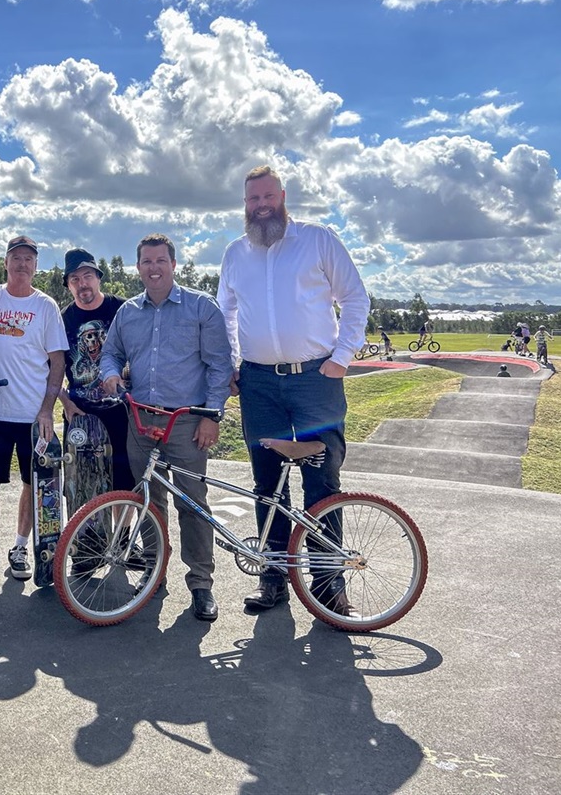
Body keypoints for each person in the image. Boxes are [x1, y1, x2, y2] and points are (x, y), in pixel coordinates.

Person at [217, 165, 370, 617]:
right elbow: (225, 312)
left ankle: (328, 587)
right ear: (245, 205)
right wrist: (230, 364)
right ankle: (274, 579)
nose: (261, 205)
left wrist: (342, 357)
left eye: (267, 196)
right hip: (259, 381)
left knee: (321, 482)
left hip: (315, 379)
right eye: (252, 199)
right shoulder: (235, 253)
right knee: (268, 483)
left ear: (282, 196)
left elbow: (356, 298)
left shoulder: (318, 239)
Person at [100, 233, 232, 622]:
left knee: (191, 502)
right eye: (146, 262)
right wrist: (109, 374)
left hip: (187, 421)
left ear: (173, 264)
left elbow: (220, 366)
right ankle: (155, 574)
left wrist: (211, 415)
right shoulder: (128, 312)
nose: (153, 268)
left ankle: (201, 584)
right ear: (137, 267)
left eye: (161, 261)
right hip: (140, 419)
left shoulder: (201, 307)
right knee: (148, 501)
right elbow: (111, 353)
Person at [0, 235, 68, 581]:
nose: (22, 264)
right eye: (16, 258)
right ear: (5, 263)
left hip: (31, 415)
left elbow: (57, 362)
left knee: (32, 484)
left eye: (29, 259)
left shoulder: (46, 306)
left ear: (36, 267)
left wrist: (47, 410)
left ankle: (21, 546)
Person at [58, 248, 134, 493]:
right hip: (81, 412)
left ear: (98, 277)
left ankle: (122, 533)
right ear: (68, 285)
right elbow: (48, 371)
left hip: (122, 410)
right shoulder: (62, 320)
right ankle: (87, 533)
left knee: (124, 482)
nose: (83, 284)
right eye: (75, 279)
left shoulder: (123, 310)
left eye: (88, 276)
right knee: (81, 484)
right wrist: (66, 402)